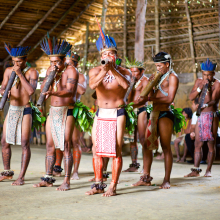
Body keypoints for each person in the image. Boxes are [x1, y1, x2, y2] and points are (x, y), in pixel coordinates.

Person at [85, 20, 131, 197]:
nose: (109, 57)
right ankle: (98, 184)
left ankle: (113, 185)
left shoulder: (124, 71)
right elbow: (92, 85)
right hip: (101, 113)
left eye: (112, 54)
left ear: (116, 55)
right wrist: (105, 70)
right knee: (97, 149)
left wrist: (113, 70)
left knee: (116, 149)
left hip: (117, 113)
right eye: (106, 54)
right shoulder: (95, 71)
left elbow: (125, 85)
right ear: (101, 56)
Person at [33, 35, 78, 191]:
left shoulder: (71, 70)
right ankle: (48, 178)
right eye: (51, 62)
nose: (54, 65)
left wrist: (53, 93)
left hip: (67, 111)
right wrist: (49, 75)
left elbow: (70, 91)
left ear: (63, 60)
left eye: (57, 62)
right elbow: (44, 87)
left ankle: (66, 180)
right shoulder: (50, 70)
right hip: (53, 111)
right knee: (50, 146)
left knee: (65, 145)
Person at [132, 52, 179, 189]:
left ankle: (166, 179)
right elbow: (151, 95)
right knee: (147, 146)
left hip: (165, 113)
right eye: (156, 66)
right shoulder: (158, 77)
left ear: (167, 64)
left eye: (159, 66)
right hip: (154, 113)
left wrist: (150, 99)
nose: (158, 68)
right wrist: (151, 86)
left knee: (165, 147)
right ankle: (145, 178)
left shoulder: (172, 77)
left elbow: (169, 99)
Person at [0, 44, 38, 185]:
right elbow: (3, 87)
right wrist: (4, 92)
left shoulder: (32, 72)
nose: (16, 64)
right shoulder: (8, 71)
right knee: (4, 142)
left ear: (26, 59)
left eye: (19, 62)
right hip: (12, 109)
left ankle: (21, 176)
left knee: (24, 143)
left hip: (25, 110)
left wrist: (20, 74)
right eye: (14, 61)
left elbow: (30, 91)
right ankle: (7, 172)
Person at [53, 51, 87, 180]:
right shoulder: (60, 75)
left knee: (74, 141)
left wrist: (72, 77)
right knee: (59, 140)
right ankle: (57, 167)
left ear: (76, 65)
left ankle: (75, 171)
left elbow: (82, 90)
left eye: (70, 63)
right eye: (65, 62)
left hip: (74, 110)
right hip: (60, 109)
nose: (67, 65)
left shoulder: (80, 76)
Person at [184, 58, 220, 177]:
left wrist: (207, 89)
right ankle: (195, 170)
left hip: (211, 116)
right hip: (200, 116)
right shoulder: (199, 81)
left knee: (210, 144)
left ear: (213, 74)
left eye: (209, 75)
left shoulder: (218, 84)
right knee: (198, 143)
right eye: (204, 74)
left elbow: (212, 101)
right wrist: (200, 88)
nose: (206, 77)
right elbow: (191, 96)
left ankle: (208, 170)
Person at [123, 58, 149, 172]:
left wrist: (130, 104)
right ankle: (134, 165)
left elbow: (144, 99)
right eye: (131, 71)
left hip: (141, 110)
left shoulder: (145, 81)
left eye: (135, 72)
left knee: (143, 138)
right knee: (132, 139)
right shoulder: (130, 81)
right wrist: (131, 84)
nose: (133, 74)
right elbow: (127, 98)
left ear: (141, 71)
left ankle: (145, 166)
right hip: (131, 111)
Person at [185, 99, 208, 164]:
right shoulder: (195, 114)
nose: (192, 106)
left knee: (204, 137)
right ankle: (195, 158)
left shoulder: (207, 112)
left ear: (197, 105)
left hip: (210, 134)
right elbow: (192, 127)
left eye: (193, 104)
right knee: (188, 137)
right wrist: (193, 133)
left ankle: (203, 158)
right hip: (199, 133)